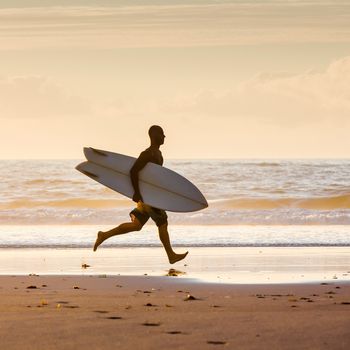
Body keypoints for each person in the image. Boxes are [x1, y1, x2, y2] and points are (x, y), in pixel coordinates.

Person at [93, 125, 188, 264]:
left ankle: (104, 235)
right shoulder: (148, 154)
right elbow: (133, 171)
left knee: (136, 225)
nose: (164, 137)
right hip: (149, 197)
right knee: (162, 222)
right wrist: (137, 192)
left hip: (147, 196)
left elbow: (152, 177)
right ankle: (171, 255)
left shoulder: (157, 153)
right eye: (162, 134)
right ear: (155, 136)